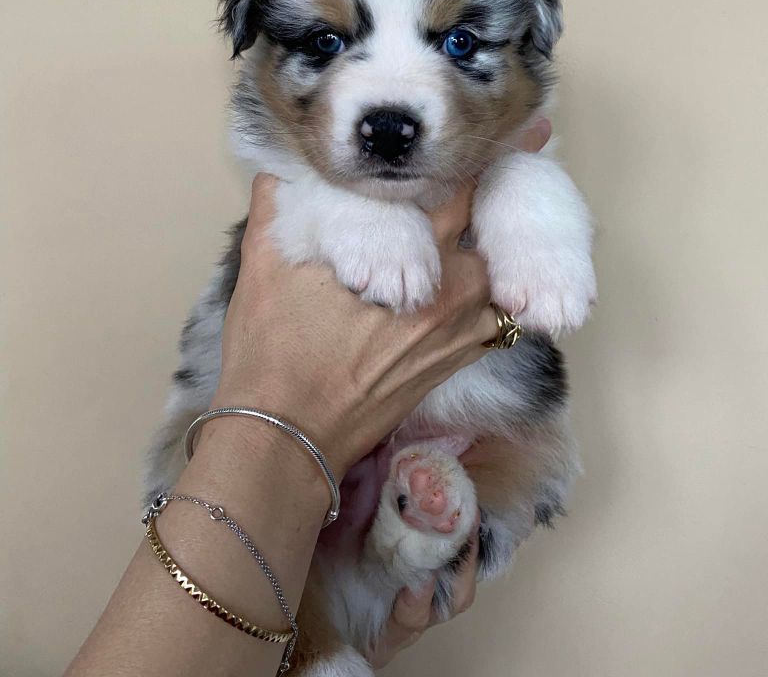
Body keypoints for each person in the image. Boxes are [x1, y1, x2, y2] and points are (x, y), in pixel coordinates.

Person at [65, 121, 552, 677]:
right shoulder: (303, 179)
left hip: (432, 470)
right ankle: (318, 646)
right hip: (280, 524)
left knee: (413, 553)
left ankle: (370, 578)